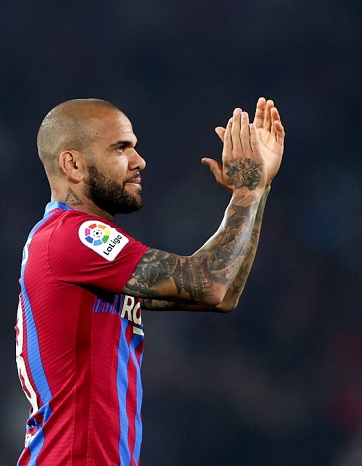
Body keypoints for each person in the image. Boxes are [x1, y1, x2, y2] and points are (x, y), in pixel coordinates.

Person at [14, 97, 285, 465]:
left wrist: (258, 189)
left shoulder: (84, 253)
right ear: (73, 164)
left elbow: (223, 295)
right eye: (120, 148)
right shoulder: (72, 236)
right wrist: (247, 190)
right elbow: (209, 284)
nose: (139, 161)